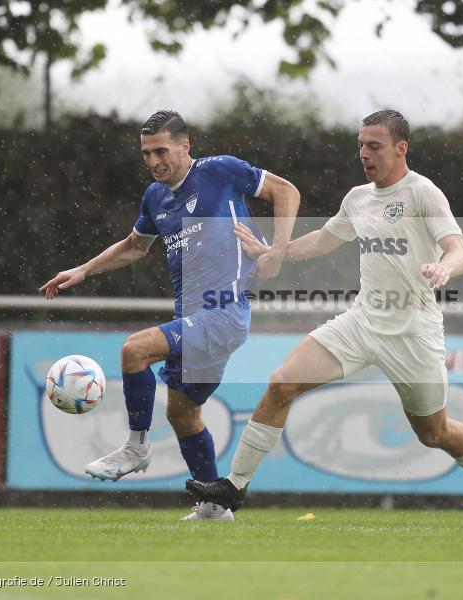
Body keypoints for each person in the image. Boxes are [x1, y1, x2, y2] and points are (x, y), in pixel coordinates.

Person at [184, 109, 463, 525]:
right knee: (281, 383)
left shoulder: (423, 193)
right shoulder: (358, 198)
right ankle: (233, 488)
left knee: (434, 433)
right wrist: (275, 251)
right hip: (361, 323)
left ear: (401, 148)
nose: (364, 154)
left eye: (374, 146)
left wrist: (444, 267)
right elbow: (323, 241)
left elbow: (459, 251)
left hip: (413, 334)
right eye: (361, 145)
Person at [39, 109, 299, 521]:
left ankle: (136, 447)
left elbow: (286, 191)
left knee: (134, 350)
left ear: (184, 146)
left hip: (225, 312)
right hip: (195, 319)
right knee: (182, 414)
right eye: (146, 153)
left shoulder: (220, 171)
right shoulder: (155, 197)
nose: (154, 161)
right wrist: (84, 270)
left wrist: (278, 250)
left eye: (161, 150)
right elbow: (134, 246)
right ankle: (214, 507)